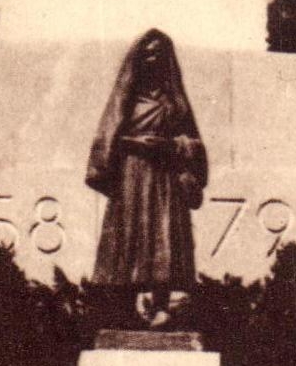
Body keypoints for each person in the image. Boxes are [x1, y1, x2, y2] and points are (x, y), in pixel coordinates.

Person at [85, 29, 208, 328]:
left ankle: (162, 304)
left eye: (159, 54)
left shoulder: (175, 103)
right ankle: (127, 309)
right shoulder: (128, 100)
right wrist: (134, 145)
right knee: (131, 237)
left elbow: (195, 144)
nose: (153, 59)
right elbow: (108, 138)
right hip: (133, 175)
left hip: (165, 176)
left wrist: (170, 146)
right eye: (148, 53)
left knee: (165, 238)